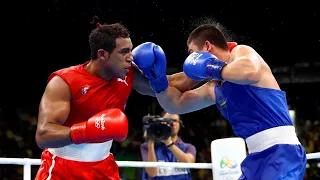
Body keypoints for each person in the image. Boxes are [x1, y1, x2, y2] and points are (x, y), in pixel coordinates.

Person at [34, 16, 197, 180]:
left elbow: (170, 86)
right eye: (124, 52)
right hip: (62, 168)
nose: (131, 57)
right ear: (102, 54)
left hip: (103, 167)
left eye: (131, 50)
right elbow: (43, 135)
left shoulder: (128, 75)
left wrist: (210, 69)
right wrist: (87, 130)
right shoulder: (64, 82)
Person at [135, 24, 307, 179]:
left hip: (282, 153)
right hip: (255, 158)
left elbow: (250, 72)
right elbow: (175, 104)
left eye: (192, 53)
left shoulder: (241, 52)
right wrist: (158, 82)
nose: (191, 61)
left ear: (208, 46)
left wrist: (210, 66)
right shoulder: (213, 88)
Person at [140, 111, 196, 180]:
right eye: (168, 121)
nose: (172, 124)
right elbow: (152, 173)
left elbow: (189, 163)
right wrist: (151, 141)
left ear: (180, 124)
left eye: (175, 121)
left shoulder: (188, 147)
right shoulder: (147, 146)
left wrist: (169, 143)